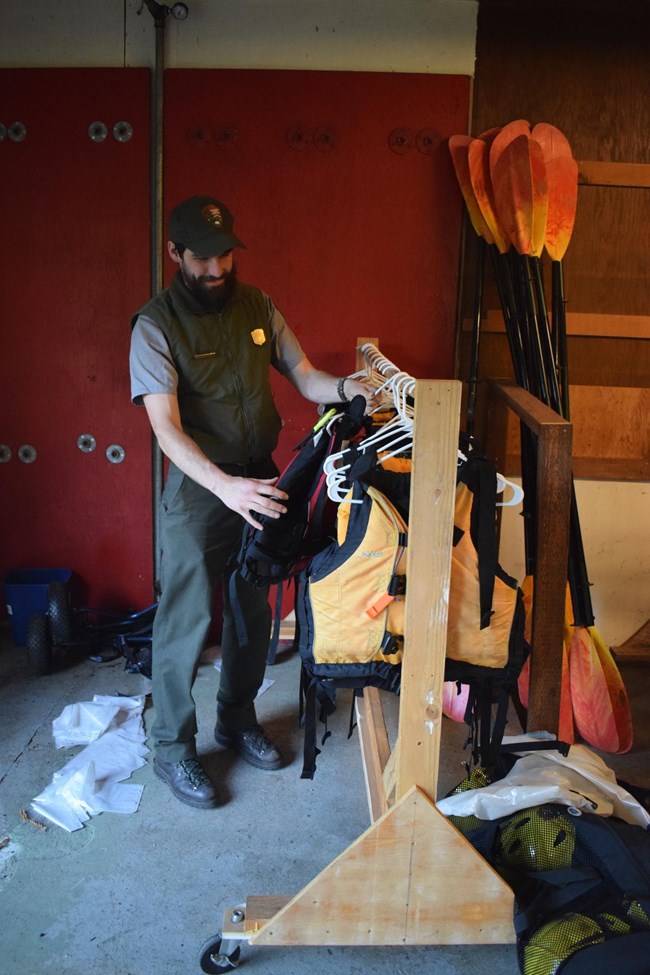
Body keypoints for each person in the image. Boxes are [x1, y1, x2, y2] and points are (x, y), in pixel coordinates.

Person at [129, 194, 376, 809]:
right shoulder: (154, 326)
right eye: (203, 260)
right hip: (200, 488)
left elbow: (306, 375)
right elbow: (166, 430)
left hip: (261, 479)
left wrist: (349, 388)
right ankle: (173, 749)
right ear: (175, 254)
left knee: (252, 608)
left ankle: (235, 720)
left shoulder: (257, 305)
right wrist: (225, 487)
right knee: (185, 617)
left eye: (224, 257)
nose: (217, 270)